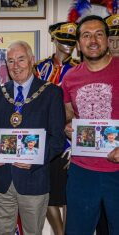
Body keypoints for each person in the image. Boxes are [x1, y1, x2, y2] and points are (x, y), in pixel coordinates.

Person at [0, 40, 66, 235]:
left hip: (34, 178)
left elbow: (57, 139)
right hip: (2, 179)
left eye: (21, 59)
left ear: (32, 60)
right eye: (10, 61)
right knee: (2, 231)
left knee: (33, 232)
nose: (15, 66)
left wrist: (35, 160)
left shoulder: (51, 93)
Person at [62, 15, 119, 235]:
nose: (93, 40)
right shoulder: (70, 78)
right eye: (86, 35)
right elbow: (67, 115)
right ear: (78, 44)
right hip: (82, 170)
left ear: (107, 39)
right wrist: (67, 126)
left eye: (99, 34)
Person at [35, 22, 79, 235]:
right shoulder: (38, 68)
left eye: (71, 42)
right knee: (47, 194)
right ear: (53, 40)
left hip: (71, 142)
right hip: (44, 141)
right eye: (63, 41)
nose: (67, 46)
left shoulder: (81, 68)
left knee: (71, 194)